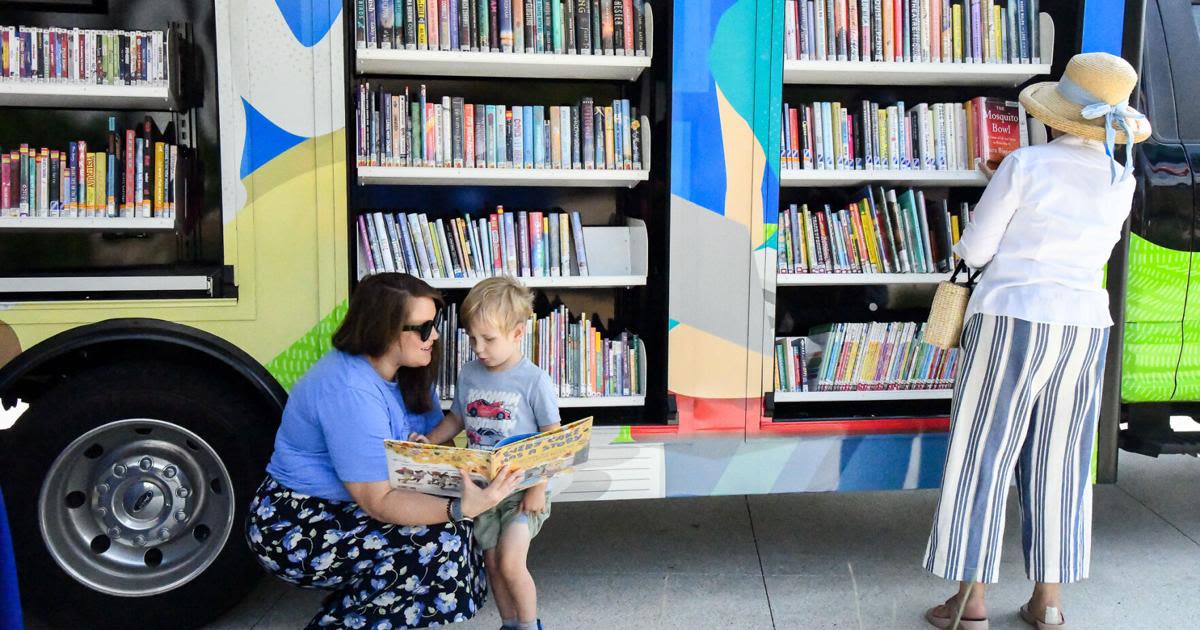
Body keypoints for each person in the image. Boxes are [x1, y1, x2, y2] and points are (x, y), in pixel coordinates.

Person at [921, 52, 1152, 630]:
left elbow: (975, 250)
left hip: (1013, 319)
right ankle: (1047, 602)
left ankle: (969, 602)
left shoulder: (1023, 164)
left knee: (984, 455)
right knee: (1063, 461)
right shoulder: (1120, 178)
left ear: (1054, 115)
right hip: (1083, 326)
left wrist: (996, 184)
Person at [245, 273, 522, 629]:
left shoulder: (408, 372)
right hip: (294, 520)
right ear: (386, 330)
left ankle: (369, 605)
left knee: (461, 530)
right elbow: (377, 500)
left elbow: (442, 453)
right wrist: (460, 506)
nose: (434, 336)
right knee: (439, 542)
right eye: (423, 329)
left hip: (349, 506)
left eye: (433, 325)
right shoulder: (349, 389)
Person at [412, 277, 561, 630]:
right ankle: (509, 623)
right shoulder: (470, 373)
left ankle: (528, 626)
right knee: (492, 564)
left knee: (511, 562)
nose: (479, 348)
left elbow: (552, 440)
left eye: (489, 339)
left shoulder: (533, 380)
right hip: (483, 491)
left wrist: (538, 486)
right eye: (472, 338)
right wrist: (429, 442)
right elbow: (457, 419)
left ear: (517, 333)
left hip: (523, 491)